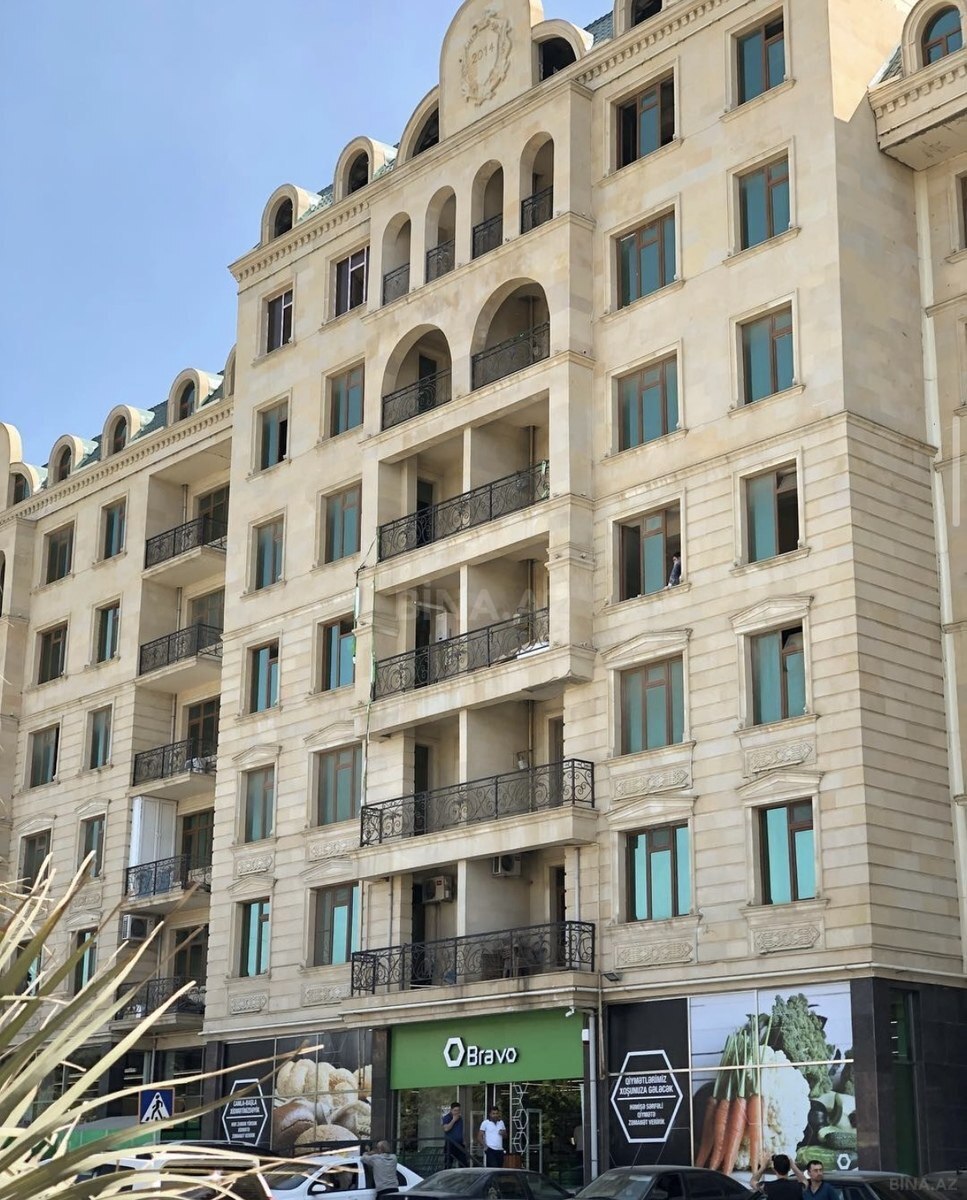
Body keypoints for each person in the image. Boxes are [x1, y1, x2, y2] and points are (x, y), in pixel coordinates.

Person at [442, 1102, 469, 1168]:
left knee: (464, 1163)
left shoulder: (460, 1119)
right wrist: (453, 1120)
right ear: (451, 1110)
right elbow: (446, 1129)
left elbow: (460, 1130)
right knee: (448, 1163)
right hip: (450, 1144)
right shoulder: (447, 1117)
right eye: (455, 1110)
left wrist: (463, 1140)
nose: (457, 1112)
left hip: (459, 1144)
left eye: (458, 1110)